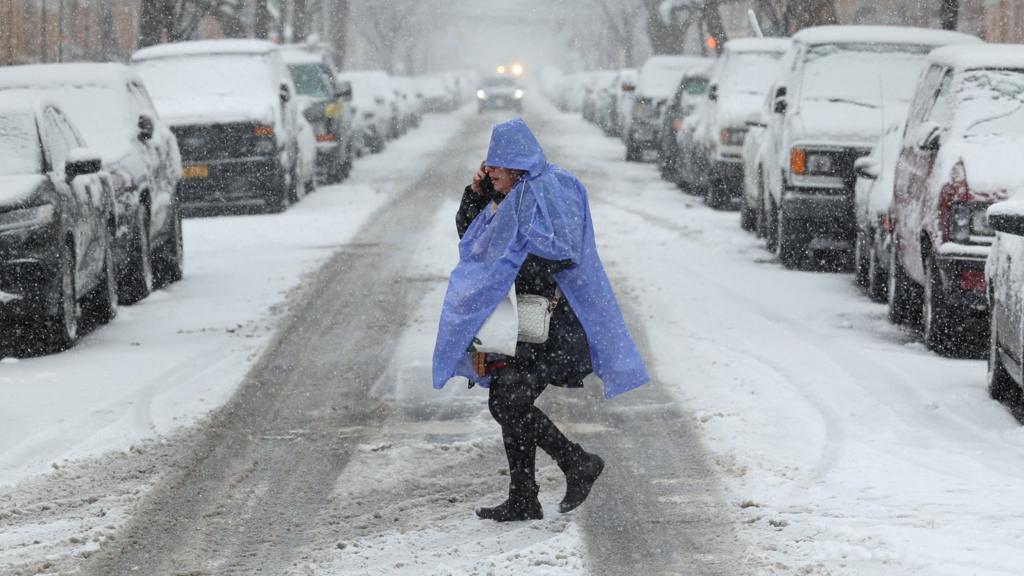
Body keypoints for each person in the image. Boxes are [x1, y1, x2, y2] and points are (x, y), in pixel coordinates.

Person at [433, 118, 648, 522]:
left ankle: (574, 465)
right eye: (489, 164)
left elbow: (562, 251)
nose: (489, 169)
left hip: (553, 320)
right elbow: (471, 237)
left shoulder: (551, 187)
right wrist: (476, 195)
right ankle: (526, 495)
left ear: (516, 163)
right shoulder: (506, 196)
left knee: (508, 400)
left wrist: (511, 263)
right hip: (518, 320)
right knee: (507, 398)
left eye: (496, 164)